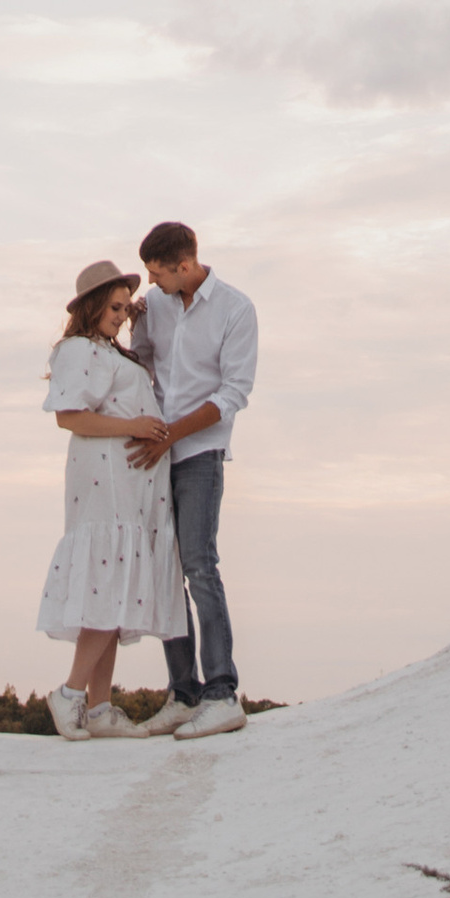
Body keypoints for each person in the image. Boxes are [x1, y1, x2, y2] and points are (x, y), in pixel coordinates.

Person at [38, 261, 186, 740]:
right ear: (91, 306)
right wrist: (134, 427)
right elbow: (69, 417)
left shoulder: (109, 351)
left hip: (128, 481)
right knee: (108, 581)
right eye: (114, 307)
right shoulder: (78, 349)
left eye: (126, 308)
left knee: (115, 585)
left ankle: (100, 709)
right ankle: (71, 694)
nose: (121, 315)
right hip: (103, 478)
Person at [128, 222, 257, 739]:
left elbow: (234, 393)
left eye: (157, 273)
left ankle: (222, 694)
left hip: (200, 452)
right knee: (165, 571)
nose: (151, 282)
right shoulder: (155, 307)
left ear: (184, 265)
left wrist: (172, 434)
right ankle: (182, 694)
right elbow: (138, 364)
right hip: (153, 455)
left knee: (200, 565)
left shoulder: (235, 309)